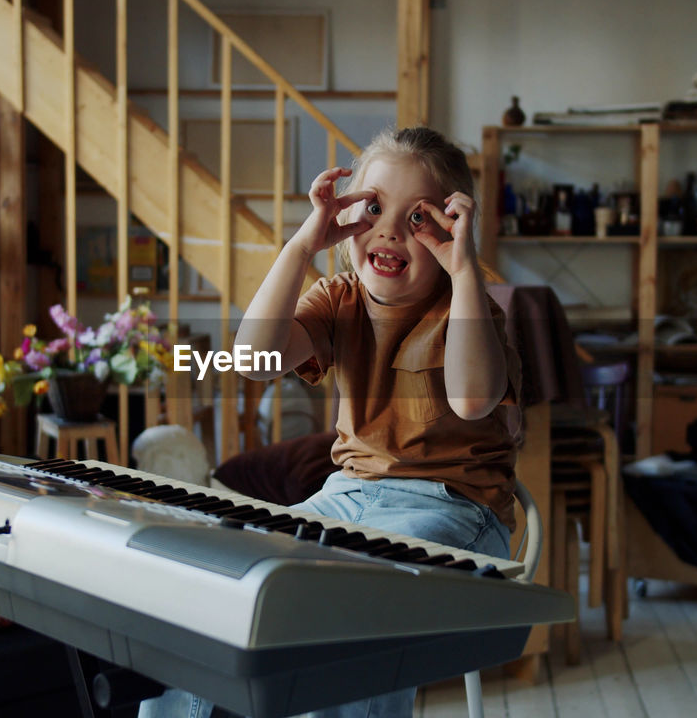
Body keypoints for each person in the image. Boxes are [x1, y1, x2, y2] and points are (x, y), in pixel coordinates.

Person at [139, 126, 523, 718]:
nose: (389, 229)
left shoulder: (464, 307)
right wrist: (301, 246)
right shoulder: (339, 296)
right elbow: (252, 360)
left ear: (451, 229)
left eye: (418, 218)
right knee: (224, 572)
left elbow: (473, 401)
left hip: (454, 507)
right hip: (348, 498)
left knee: (356, 601)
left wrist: (467, 269)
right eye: (372, 208)